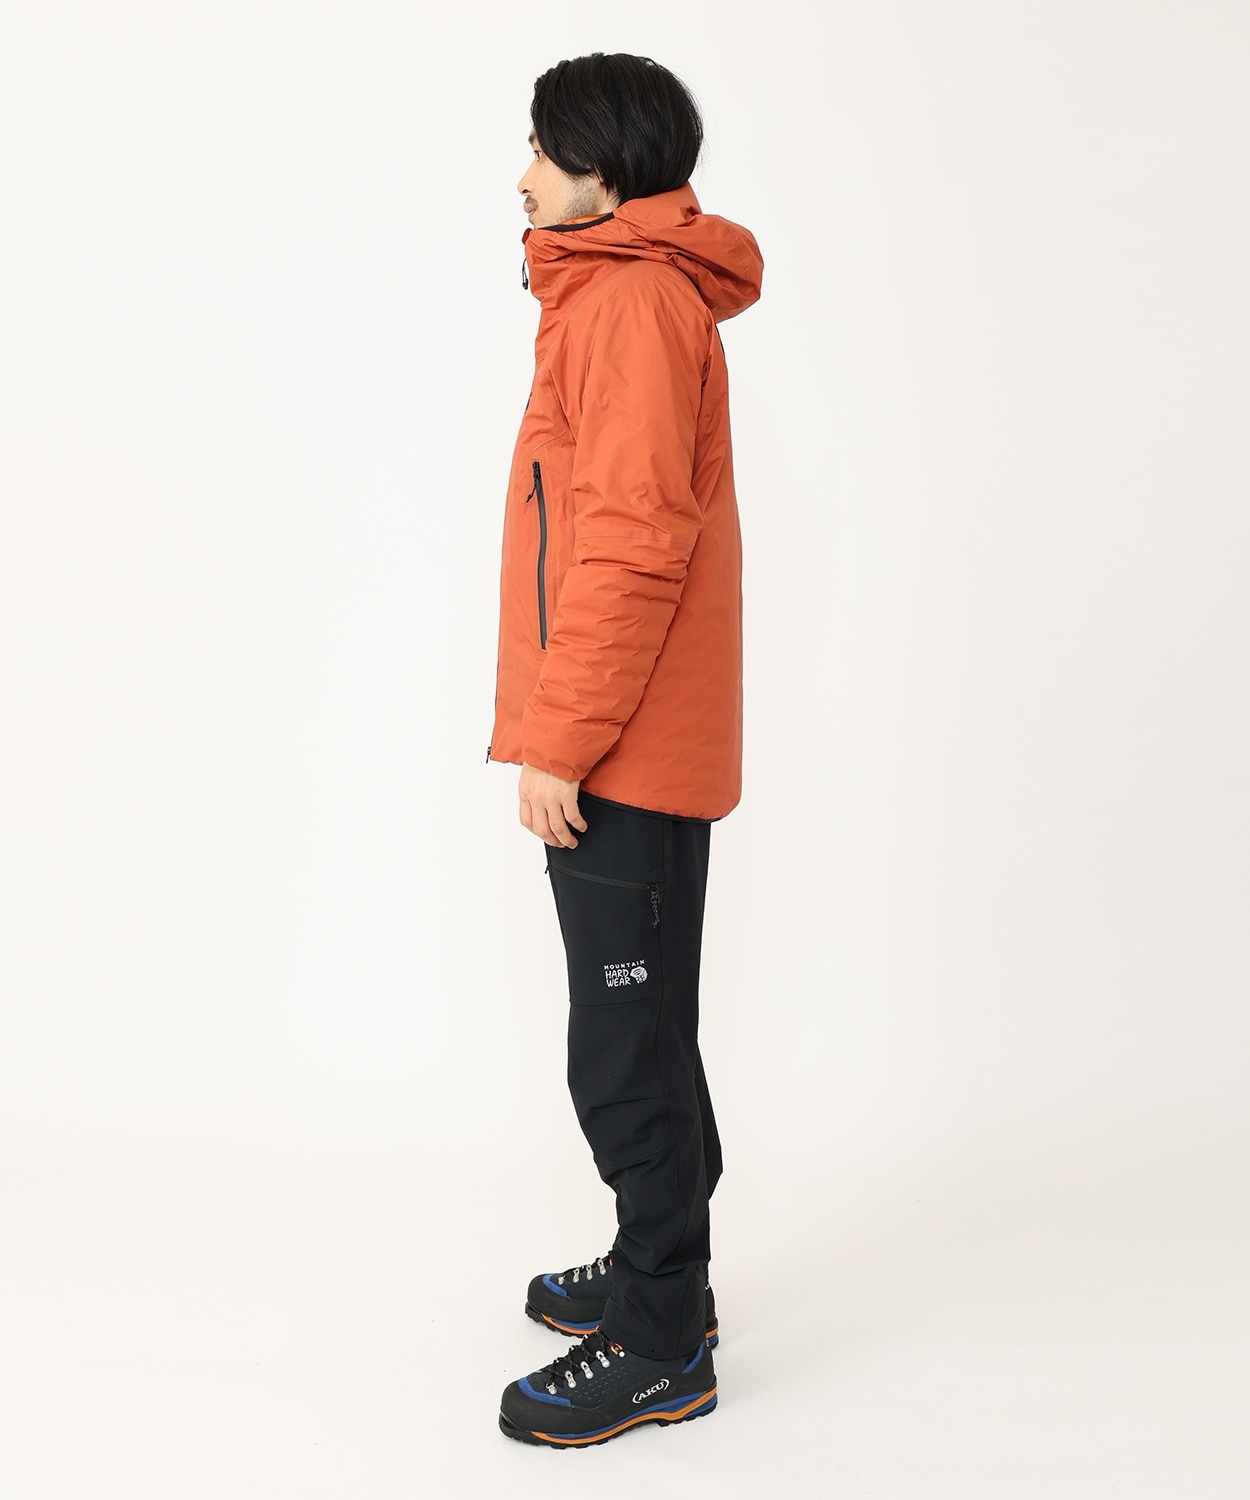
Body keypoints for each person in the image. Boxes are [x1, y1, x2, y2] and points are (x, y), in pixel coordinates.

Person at [485, 51, 763, 1449]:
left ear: (603, 169)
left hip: (624, 747)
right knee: (641, 1028)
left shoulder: (635, 304)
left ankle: (661, 1338)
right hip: (624, 735)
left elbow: (632, 546)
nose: (522, 176)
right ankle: (667, 1271)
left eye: (542, 151)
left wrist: (561, 739)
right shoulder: (608, 293)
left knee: (623, 1048)